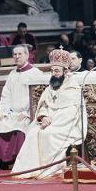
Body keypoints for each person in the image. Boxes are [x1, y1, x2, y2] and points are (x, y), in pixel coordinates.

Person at [11, 48, 87, 179]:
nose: (53, 74)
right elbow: (43, 105)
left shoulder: (73, 89)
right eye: (52, 71)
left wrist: (53, 123)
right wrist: (44, 116)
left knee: (48, 134)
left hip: (65, 125)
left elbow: (72, 114)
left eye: (57, 71)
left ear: (65, 71)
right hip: (48, 122)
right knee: (32, 132)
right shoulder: (50, 87)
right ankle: (30, 170)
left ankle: (50, 169)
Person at [0, 45, 42, 170]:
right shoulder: (12, 74)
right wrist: (4, 112)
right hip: (12, 113)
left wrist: (28, 113)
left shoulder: (35, 73)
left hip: (28, 113)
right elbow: (5, 95)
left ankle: (19, 161)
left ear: (27, 55)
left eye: (20, 54)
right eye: (14, 54)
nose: (17, 57)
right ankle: (2, 161)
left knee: (19, 128)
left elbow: (37, 97)